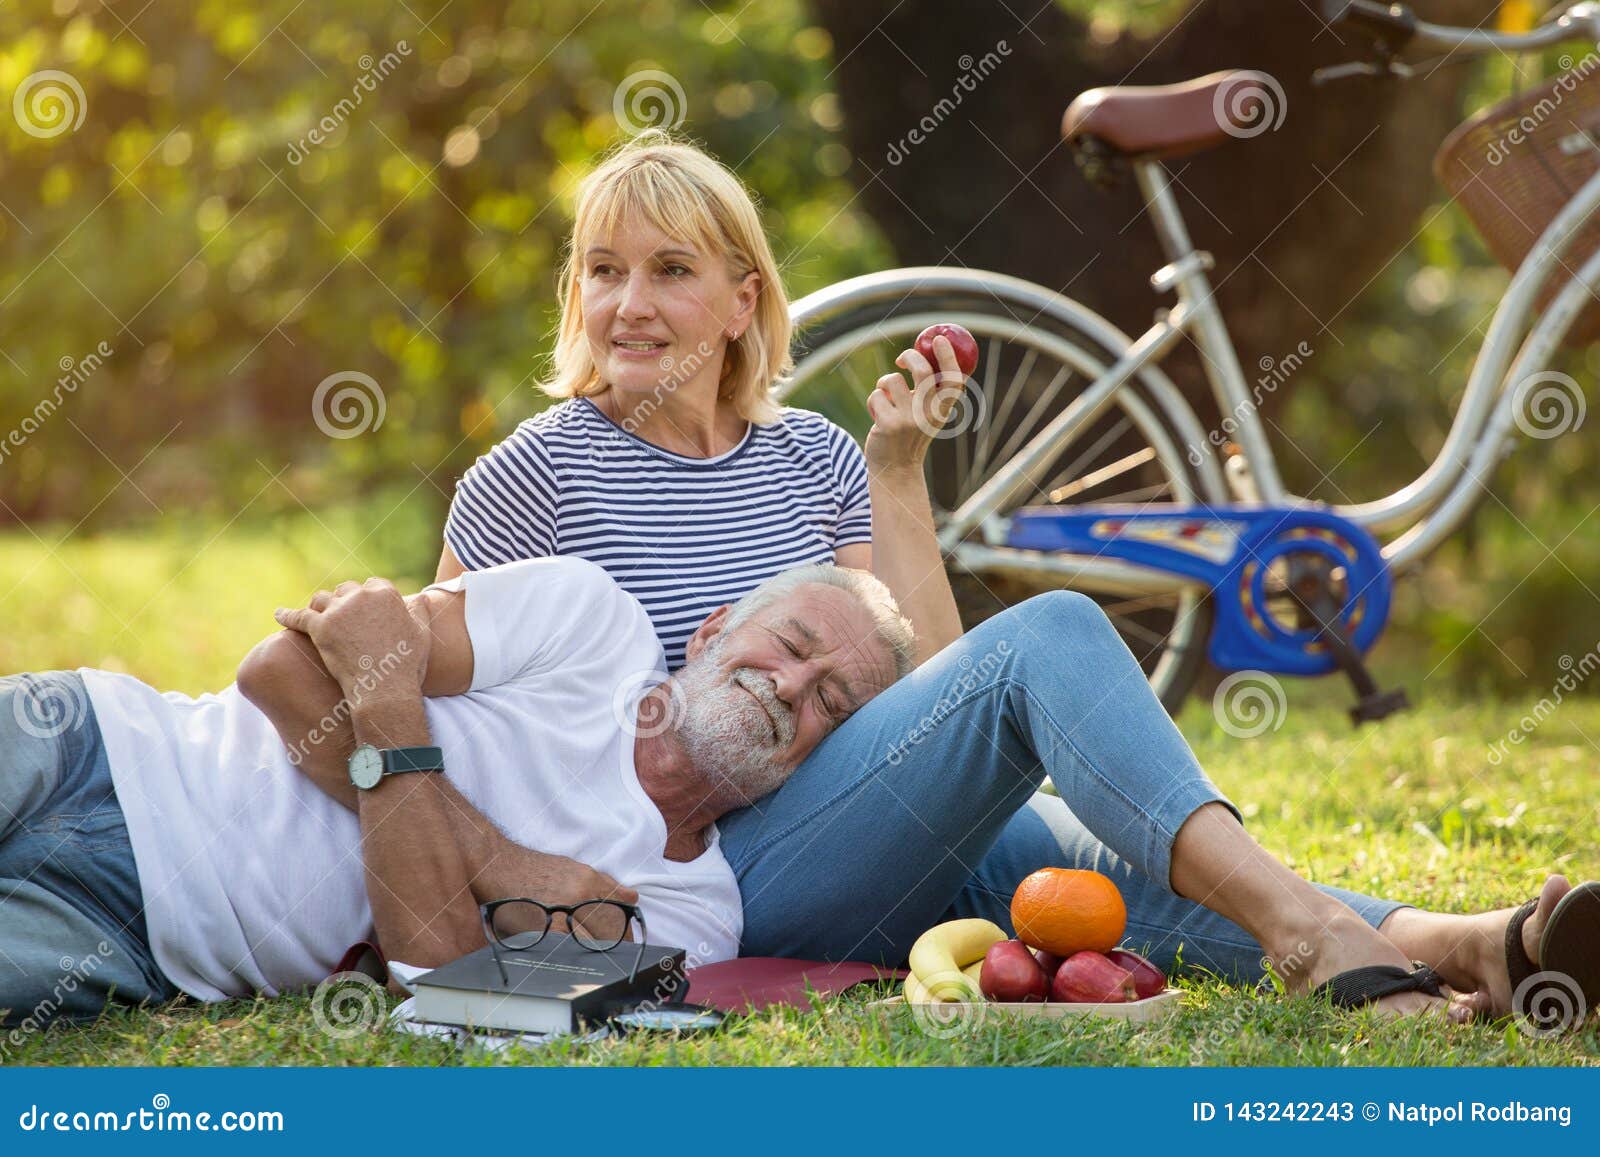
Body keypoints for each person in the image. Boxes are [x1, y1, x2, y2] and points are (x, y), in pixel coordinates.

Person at [247, 132, 1588, 1023]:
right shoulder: (530, 479)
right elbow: (448, 723)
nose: (627, 303)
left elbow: (931, 698)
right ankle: (1312, 930)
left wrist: (895, 477)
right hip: (697, 870)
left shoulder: (818, 457)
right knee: (1054, 635)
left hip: (833, 814)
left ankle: (1462, 943)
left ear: (742, 304)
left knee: (1079, 861)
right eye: (601, 271)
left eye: (668, 271)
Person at [0, 557, 912, 1026]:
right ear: (715, 627)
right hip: (94, 737)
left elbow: (439, 978)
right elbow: (280, 667)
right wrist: (502, 863)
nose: (792, 687)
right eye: (791, 646)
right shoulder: (589, 621)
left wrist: (383, 708)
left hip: (133, 932)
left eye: (831, 699)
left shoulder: (692, 917)